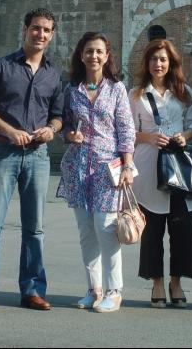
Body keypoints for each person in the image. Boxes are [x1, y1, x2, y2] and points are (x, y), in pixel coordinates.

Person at [0, 8, 64, 311]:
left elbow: (58, 116)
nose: (40, 34)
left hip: (37, 156)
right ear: (24, 29)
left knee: (34, 229)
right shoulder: (0, 67)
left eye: (46, 30)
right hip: (2, 152)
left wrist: (52, 129)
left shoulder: (53, 75)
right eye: (35, 28)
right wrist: (10, 131)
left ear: (52, 35)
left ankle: (33, 289)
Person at [57, 32, 136, 313]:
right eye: (89, 51)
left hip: (107, 169)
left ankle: (115, 291)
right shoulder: (72, 90)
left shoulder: (117, 89)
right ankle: (94, 289)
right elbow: (64, 124)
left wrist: (128, 165)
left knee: (106, 229)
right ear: (81, 55)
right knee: (86, 231)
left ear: (107, 56)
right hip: (77, 168)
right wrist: (69, 135)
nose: (94, 56)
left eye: (99, 51)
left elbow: (126, 129)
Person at [128, 39, 192, 308]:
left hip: (178, 167)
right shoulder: (135, 94)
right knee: (153, 229)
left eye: (163, 60)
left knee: (182, 229)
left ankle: (176, 280)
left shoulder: (184, 92)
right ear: (147, 63)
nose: (158, 64)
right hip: (147, 166)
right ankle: (157, 281)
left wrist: (186, 135)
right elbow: (124, 133)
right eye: (154, 59)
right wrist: (147, 137)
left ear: (171, 64)